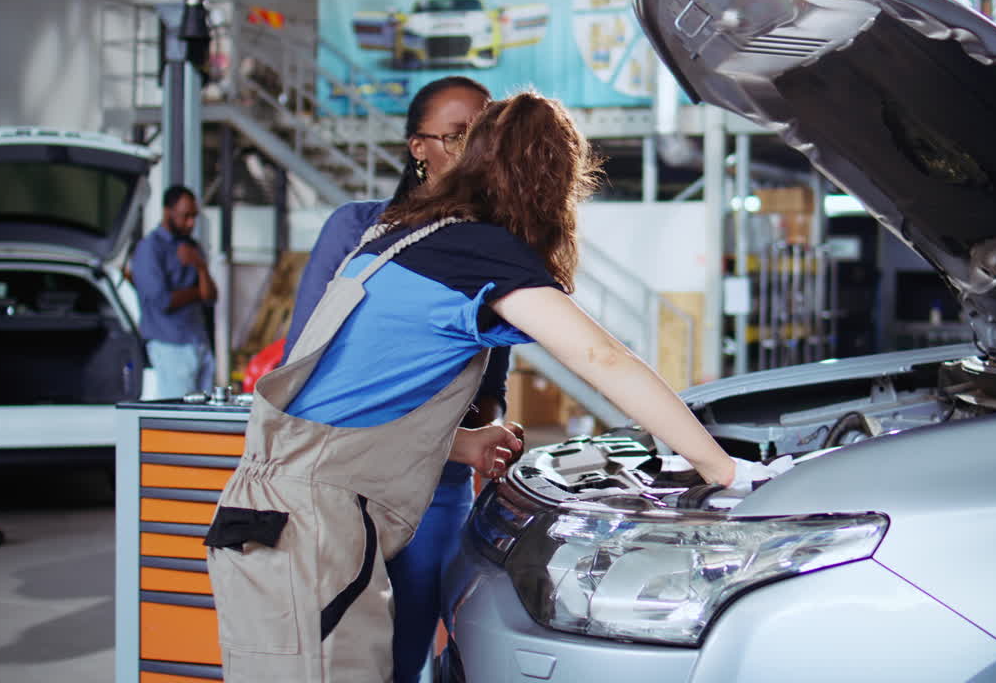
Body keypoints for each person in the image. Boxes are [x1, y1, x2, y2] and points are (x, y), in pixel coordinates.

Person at [204, 91, 779, 682]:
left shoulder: (408, 238)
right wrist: (722, 468)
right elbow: (602, 357)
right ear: (549, 183)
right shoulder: (480, 251)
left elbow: (346, 408)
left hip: (279, 511)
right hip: (310, 528)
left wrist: (463, 444)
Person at [279, 76, 505, 683]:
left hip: (436, 490)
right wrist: (458, 441)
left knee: (404, 660)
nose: (476, 152)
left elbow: (486, 396)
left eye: (485, 137)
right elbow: (304, 372)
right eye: (458, 136)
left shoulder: (493, 252)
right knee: (332, 657)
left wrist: (492, 435)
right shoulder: (356, 230)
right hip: (339, 484)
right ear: (418, 147)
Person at [132, 185, 216, 399]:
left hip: (199, 342)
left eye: (194, 217)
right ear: (168, 212)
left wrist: (200, 266)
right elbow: (162, 301)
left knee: (206, 417)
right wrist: (197, 293)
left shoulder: (193, 247)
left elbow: (212, 296)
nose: (191, 223)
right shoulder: (149, 249)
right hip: (170, 346)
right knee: (181, 415)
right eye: (185, 216)